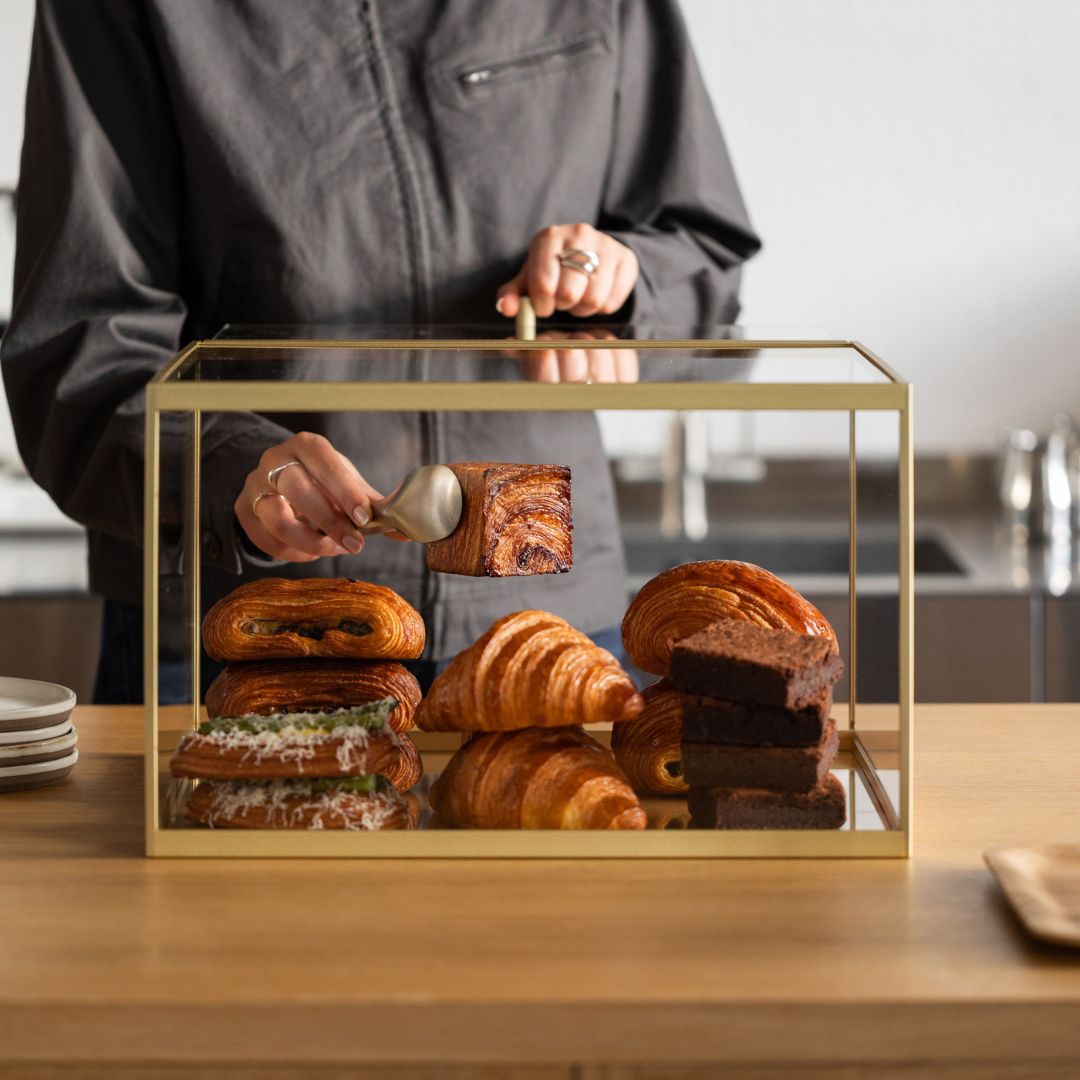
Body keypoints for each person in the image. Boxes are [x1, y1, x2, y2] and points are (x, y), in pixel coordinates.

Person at [2, 0, 761, 702]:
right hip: (237, 633)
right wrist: (231, 466)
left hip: (545, 624)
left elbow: (707, 274)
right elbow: (79, 346)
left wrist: (628, 285)